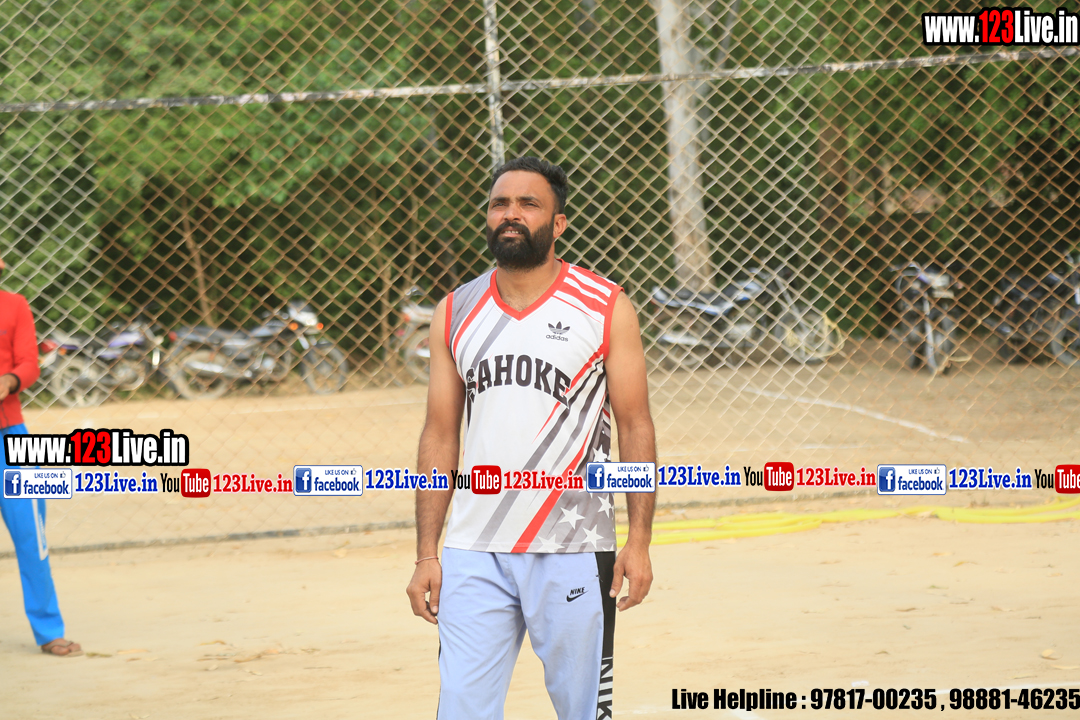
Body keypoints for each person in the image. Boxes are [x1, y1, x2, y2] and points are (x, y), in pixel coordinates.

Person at [406, 157, 656, 720]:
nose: (511, 214)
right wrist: (427, 552)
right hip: (474, 549)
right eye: (500, 204)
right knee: (462, 710)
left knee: (583, 710)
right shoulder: (455, 311)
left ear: (558, 223)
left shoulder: (604, 307)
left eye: (528, 204)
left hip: (573, 546)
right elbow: (440, 433)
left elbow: (635, 425)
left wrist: (638, 540)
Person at [0, 253, 81, 656]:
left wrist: (9, 381)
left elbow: (29, 364)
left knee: (32, 532)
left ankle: (48, 629)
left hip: (10, 435)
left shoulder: (15, 305)